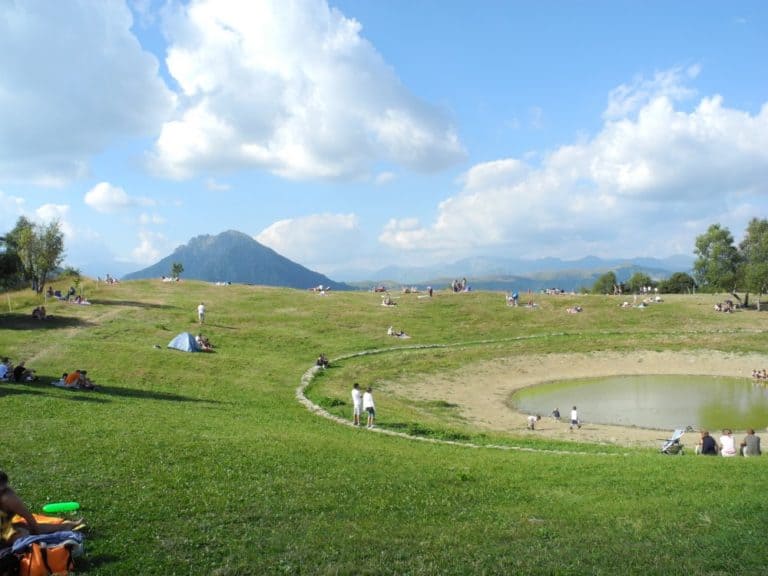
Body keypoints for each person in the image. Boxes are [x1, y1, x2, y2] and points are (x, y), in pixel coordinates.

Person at [0, 471, 82, 546]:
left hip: (5, 527)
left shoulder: (8, 497)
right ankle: (47, 542)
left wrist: (37, 532)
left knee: (24, 528)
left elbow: (28, 517)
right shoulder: (7, 497)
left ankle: (64, 528)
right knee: (22, 533)